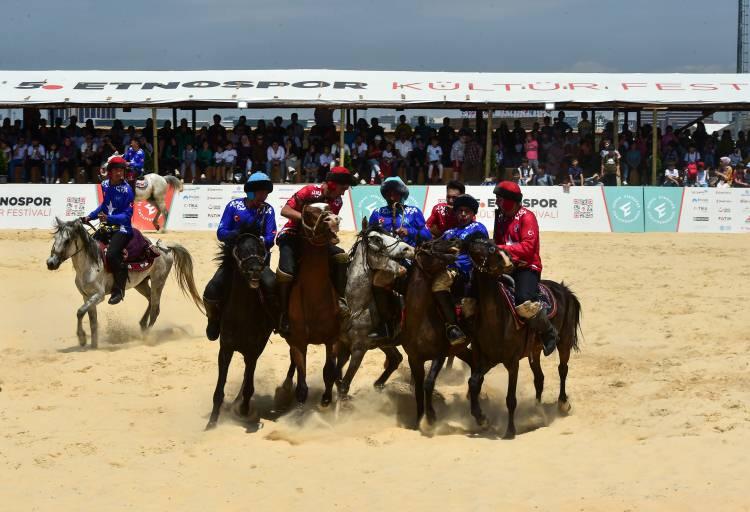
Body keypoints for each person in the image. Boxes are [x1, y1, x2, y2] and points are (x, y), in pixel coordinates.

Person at [275, 166, 356, 337]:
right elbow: (285, 211)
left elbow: (326, 228)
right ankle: (282, 313)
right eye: (342, 189)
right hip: (292, 234)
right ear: (332, 185)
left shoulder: (337, 202)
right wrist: (308, 218)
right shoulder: (309, 191)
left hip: (317, 240)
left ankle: (340, 300)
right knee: (286, 272)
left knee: (342, 257)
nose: (343, 194)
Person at [202, 173, 277, 341]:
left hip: (259, 261)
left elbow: (271, 238)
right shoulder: (233, 206)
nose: (264, 197)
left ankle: (278, 322)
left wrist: (256, 241)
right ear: (250, 192)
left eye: (266, 193)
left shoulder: (268, 210)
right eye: (260, 193)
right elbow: (221, 233)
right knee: (212, 289)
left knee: (273, 285)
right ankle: (213, 320)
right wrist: (237, 235)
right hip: (234, 261)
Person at [493, 181, 558, 356]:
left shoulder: (527, 217)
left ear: (510, 200)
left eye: (500, 199)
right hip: (506, 266)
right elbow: (498, 242)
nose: (497, 202)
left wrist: (501, 248)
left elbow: (528, 248)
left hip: (527, 267)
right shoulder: (500, 218)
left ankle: (548, 332)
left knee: (523, 301)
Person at [367, 177, 431, 341]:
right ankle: (381, 323)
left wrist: (409, 232)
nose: (392, 197)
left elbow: (427, 235)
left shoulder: (414, 212)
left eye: (395, 193)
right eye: (388, 193)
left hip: (409, 258)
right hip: (383, 259)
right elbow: (369, 236)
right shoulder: (377, 213)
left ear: (402, 194)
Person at [431, 194, 488, 345]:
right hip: (447, 268)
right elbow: (435, 245)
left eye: (467, 211)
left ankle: (452, 326)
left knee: (438, 284)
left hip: (467, 271)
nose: (463, 214)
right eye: (460, 211)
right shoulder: (449, 232)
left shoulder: (478, 228)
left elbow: (481, 251)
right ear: (455, 213)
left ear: (473, 213)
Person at [81, 156, 135, 305]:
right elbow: (104, 206)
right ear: (110, 172)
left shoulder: (127, 190)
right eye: (116, 170)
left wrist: (109, 219)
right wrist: (89, 217)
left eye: (121, 170)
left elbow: (127, 215)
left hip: (123, 229)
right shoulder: (104, 185)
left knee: (111, 254)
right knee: (88, 247)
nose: (120, 173)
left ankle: (119, 289)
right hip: (106, 226)